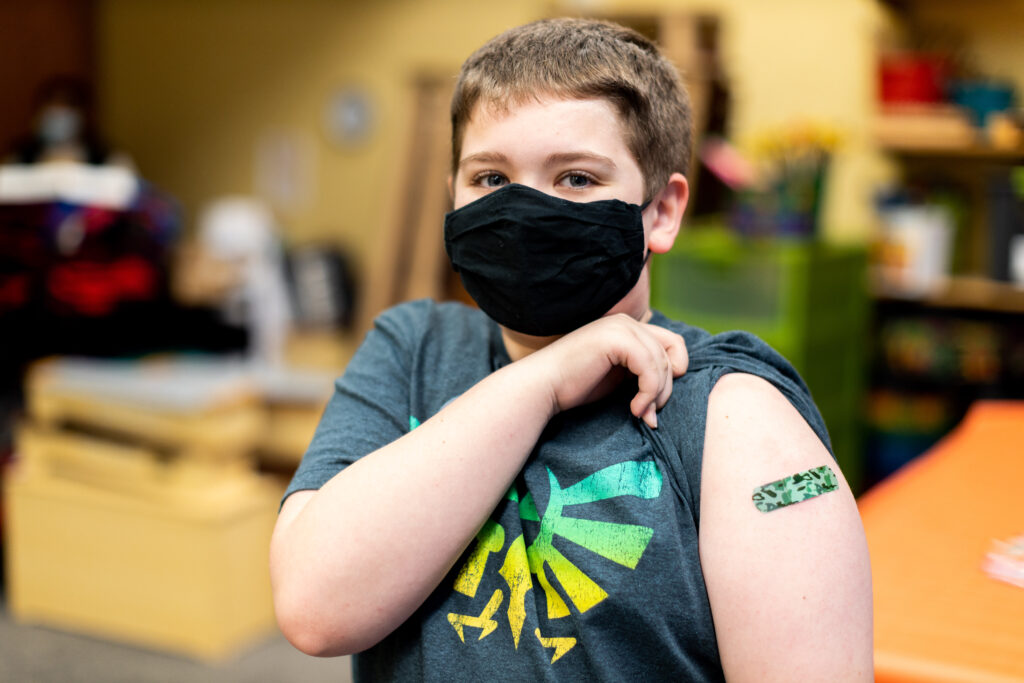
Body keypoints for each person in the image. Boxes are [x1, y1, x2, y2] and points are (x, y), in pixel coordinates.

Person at [270, 18, 872, 681]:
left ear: (662, 212)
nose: (525, 210)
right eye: (491, 179)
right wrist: (545, 379)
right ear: (453, 195)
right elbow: (315, 606)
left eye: (577, 179)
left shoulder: (731, 414)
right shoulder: (412, 351)